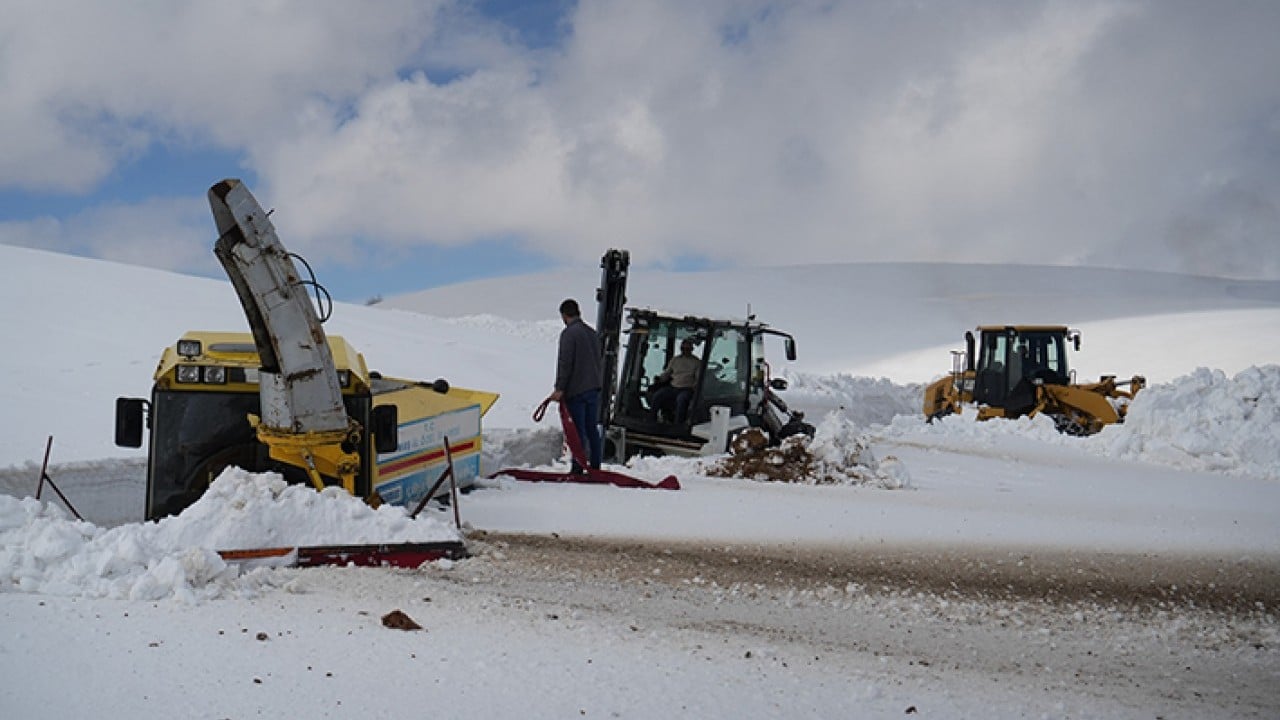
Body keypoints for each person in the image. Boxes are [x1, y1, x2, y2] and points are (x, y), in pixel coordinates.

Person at [550, 298, 603, 472]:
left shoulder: (569, 334)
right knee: (592, 429)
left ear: (564, 315)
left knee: (577, 431)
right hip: (593, 388)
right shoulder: (592, 333)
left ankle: (578, 468)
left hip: (577, 391)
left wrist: (559, 388)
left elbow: (565, 363)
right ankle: (595, 466)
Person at [651, 338, 700, 424]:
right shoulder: (675, 360)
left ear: (692, 349)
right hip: (673, 387)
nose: (685, 351)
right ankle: (651, 420)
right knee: (657, 395)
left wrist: (695, 388)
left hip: (687, 389)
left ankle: (678, 424)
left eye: (687, 349)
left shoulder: (696, 362)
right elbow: (667, 373)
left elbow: (698, 379)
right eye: (683, 349)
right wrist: (659, 379)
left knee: (681, 400)